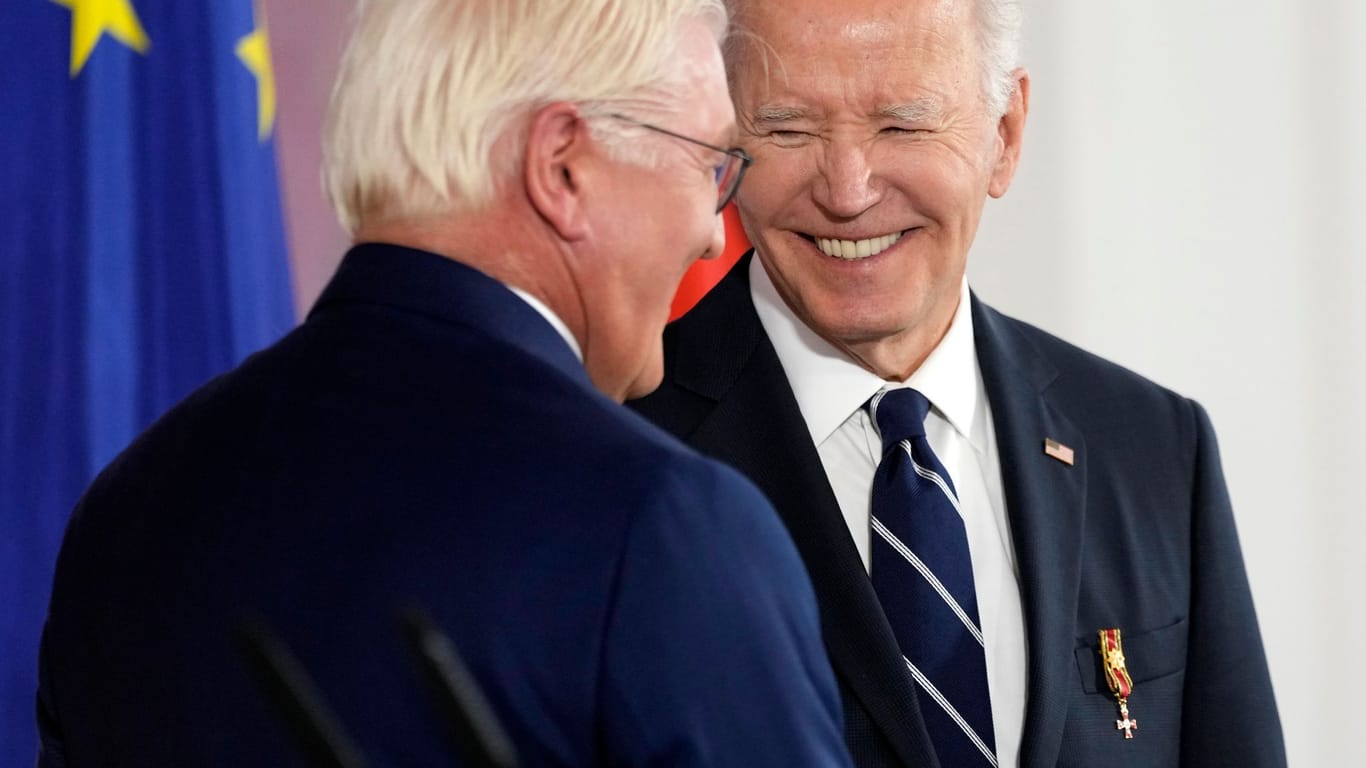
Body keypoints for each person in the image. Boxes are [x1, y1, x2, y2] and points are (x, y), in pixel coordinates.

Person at [35, 1, 853, 765]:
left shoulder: (128, 510)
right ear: (562, 166)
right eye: (710, 166)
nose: (715, 235)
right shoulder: (660, 525)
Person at [631, 0, 1286, 765]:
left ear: (1004, 136)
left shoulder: (1154, 448)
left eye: (901, 124)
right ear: (723, 139)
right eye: (788, 128)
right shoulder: (622, 442)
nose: (847, 190)